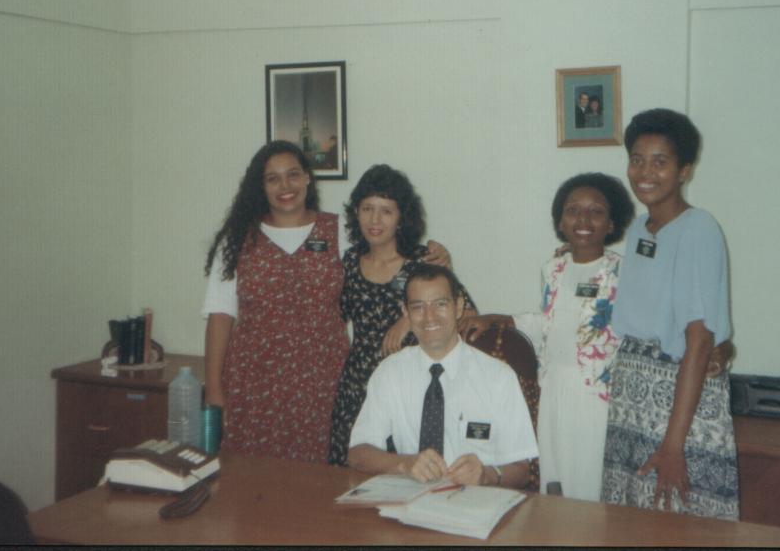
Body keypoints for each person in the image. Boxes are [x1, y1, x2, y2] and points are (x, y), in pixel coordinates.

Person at [600, 108, 739, 520]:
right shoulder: (639, 229)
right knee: (630, 521)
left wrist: (673, 446)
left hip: (677, 403)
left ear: (684, 171)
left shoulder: (699, 228)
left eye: (659, 162)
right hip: (633, 396)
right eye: (637, 160)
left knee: (678, 522)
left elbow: (700, 340)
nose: (645, 172)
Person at [459, 173, 632, 500]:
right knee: (555, 477)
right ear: (560, 221)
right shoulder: (552, 269)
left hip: (596, 394)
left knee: (590, 478)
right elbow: (549, 321)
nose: (583, 220)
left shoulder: (623, 271)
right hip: (553, 388)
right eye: (573, 210)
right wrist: (499, 319)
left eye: (596, 211)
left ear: (612, 223)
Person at [201, 140, 349, 463]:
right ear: (262, 186)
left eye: (293, 174)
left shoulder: (340, 230)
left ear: (307, 178)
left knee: (320, 478)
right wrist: (213, 389)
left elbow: (384, 265)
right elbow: (220, 316)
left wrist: (435, 256)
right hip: (254, 382)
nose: (285, 186)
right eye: (273, 178)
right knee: (253, 478)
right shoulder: (238, 238)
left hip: (323, 382)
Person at [327, 165, 476, 466]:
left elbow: (467, 313)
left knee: (414, 471)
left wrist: (407, 320)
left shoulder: (424, 261)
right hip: (357, 386)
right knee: (352, 473)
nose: (375, 220)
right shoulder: (349, 261)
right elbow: (332, 316)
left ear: (401, 217)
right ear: (356, 213)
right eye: (367, 209)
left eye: (386, 211)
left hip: (412, 385)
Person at [347, 264, 538, 489]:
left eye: (440, 304)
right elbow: (358, 453)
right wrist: (404, 464)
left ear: (459, 307)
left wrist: (486, 475)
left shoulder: (498, 377)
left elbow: (522, 470)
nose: (429, 317)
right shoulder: (390, 372)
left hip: (476, 500)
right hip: (412, 498)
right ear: (405, 312)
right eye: (418, 307)